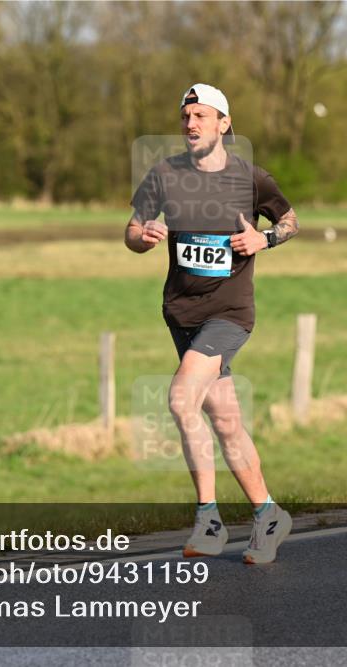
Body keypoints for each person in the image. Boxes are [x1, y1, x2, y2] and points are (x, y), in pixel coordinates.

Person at [125, 83, 300, 564]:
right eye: (186, 116)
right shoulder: (164, 176)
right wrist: (145, 236)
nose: (191, 124)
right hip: (181, 314)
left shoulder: (251, 179)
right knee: (223, 418)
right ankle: (268, 514)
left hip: (229, 314)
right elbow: (132, 231)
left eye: (201, 115)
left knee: (181, 398)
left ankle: (209, 520)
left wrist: (265, 241)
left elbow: (290, 221)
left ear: (224, 123)